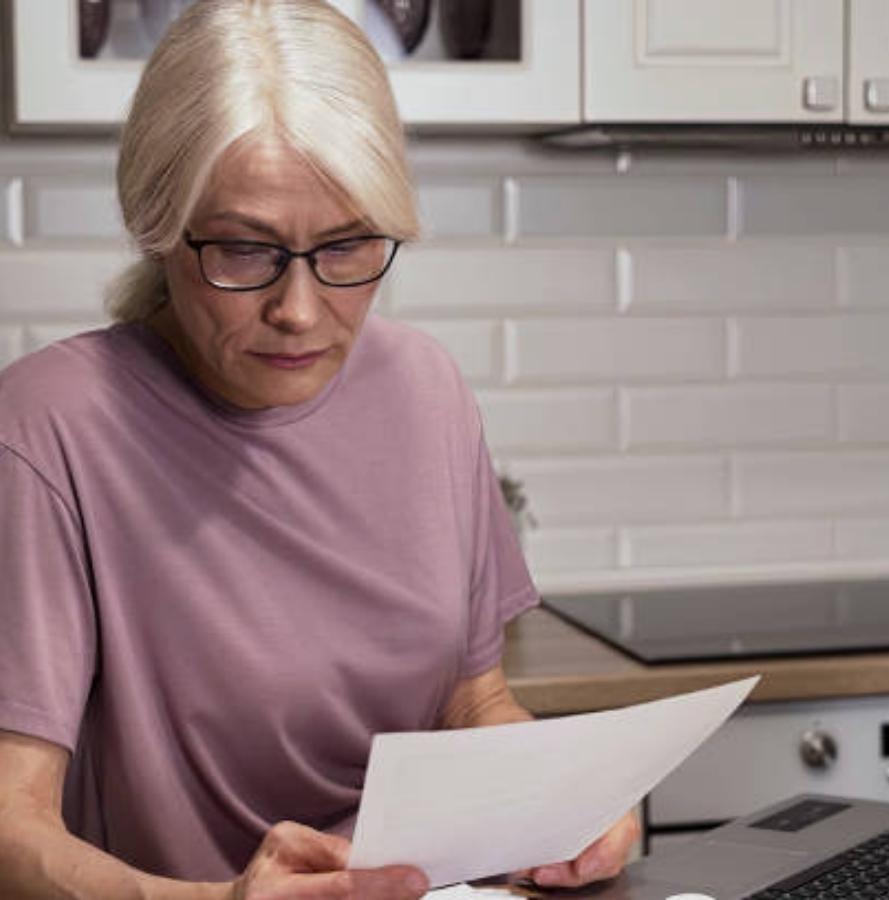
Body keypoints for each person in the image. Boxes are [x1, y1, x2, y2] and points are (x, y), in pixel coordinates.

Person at [0, 2, 639, 898]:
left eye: (347, 246)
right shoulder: (46, 428)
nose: (299, 309)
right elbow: (9, 825)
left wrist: (565, 800)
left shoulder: (428, 390)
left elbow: (471, 702)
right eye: (242, 250)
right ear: (157, 225)